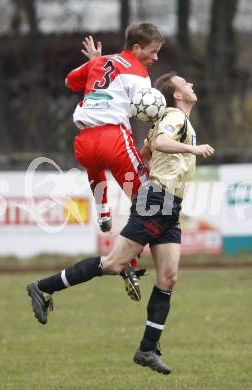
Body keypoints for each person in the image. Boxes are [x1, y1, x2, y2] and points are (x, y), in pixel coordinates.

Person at [27, 72, 214, 374]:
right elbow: (164, 141)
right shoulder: (175, 117)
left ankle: (147, 349)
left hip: (169, 206)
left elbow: (149, 153)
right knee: (114, 263)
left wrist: (148, 152)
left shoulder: (170, 119)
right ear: (177, 95)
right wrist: (192, 149)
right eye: (185, 83)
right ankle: (42, 287)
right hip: (158, 202)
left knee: (168, 277)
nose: (191, 84)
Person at [65, 23, 164, 301]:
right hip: (114, 138)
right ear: (136, 47)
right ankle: (128, 262)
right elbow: (145, 109)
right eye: (152, 52)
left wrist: (94, 64)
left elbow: (70, 81)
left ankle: (103, 211)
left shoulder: (100, 62)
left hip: (84, 141)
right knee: (148, 203)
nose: (155, 58)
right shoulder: (139, 73)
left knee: (96, 167)